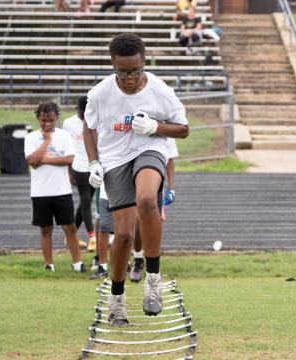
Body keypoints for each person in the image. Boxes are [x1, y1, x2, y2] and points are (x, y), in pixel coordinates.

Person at [83, 33, 189, 327]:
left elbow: (183, 129)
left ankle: (153, 279)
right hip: (115, 159)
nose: (129, 78)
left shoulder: (159, 89)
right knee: (125, 236)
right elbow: (89, 128)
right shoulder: (101, 93)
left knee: (146, 200)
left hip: (149, 148)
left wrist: (157, 126)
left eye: (135, 70)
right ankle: (117, 300)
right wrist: (93, 162)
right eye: (122, 72)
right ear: (113, 65)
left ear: (144, 61)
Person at [24, 102, 86, 273]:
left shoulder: (65, 136)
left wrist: (42, 159)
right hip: (40, 191)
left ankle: (78, 264)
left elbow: (69, 159)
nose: (47, 124)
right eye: (43, 120)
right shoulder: (30, 138)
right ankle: (49, 265)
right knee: (45, 228)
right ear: (38, 118)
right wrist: (46, 142)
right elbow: (31, 161)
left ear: (57, 118)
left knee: (70, 227)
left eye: (50, 120)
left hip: (61, 190)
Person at [129, 137, 178, 283]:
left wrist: (172, 188)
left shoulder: (163, 121)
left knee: (153, 222)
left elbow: (169, 158)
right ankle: (138, 260)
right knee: (136, 222)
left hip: (153, 178)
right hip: (128, 174)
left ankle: (153, 270)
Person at [63, 96, 97, 252]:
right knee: (85, 200)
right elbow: (65, 147)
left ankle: (71, 235)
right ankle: (92, 237)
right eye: (83, 112)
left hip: (93, 165)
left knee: (87, 202)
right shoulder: (69, 124)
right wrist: (69, 171)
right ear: (78, 109)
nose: (85, 115)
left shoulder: (94, 119)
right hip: (78, 166)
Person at [89, 182, 112, 280]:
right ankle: (102, 267)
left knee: (125, 228)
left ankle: (126, 265)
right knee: (103, 227)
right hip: (105, 186)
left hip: (125, 187)